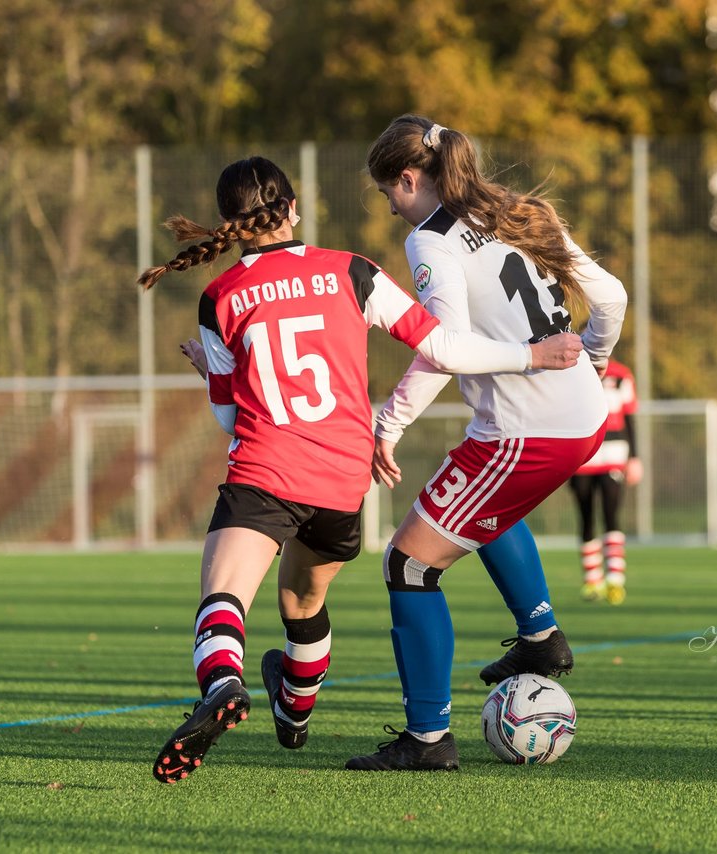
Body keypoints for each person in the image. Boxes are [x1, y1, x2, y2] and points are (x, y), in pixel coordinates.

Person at [135, 155, 585, 784]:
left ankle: (223, 685)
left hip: (266, 471)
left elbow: (231, 424)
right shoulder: (353, 270)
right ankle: (293, 707)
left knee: (224, 597)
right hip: (343, 481)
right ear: (293, 209)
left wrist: (211, 369)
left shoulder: (220, 298)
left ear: (227, 224)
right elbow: (443, 347)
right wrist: (530, 355)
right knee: (303, 600)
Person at [346, 115, 627, 772]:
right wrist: (596, 360)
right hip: (582, 417)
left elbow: (442, 349)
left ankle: (426, 739)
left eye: (389, 190)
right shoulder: (524, 210)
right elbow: (608, 297)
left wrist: (385, 427)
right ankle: (540, 638)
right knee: (476, 508)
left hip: (528, 432)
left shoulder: (431, 240)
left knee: (409, 564)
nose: (389, 205)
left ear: (410, 178)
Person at [569, 356, 641, 606]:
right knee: (586, 517)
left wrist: (634, 458)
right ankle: (592, 581)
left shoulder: (621, 375)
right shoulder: (570, 371)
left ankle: (615, 581)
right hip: (581, 457)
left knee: (611, 515)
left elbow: (630, 417)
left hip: (613, 453)